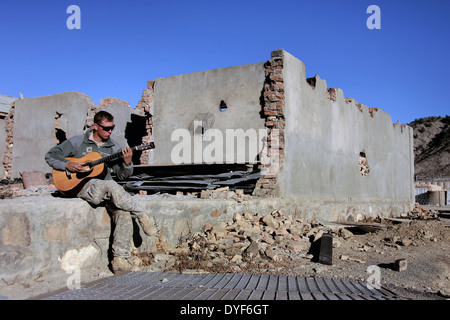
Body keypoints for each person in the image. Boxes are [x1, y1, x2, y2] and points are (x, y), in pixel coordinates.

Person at [45, 110, 156, 274]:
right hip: (82, 186)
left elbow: (121, 175)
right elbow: (51, 155)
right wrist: (67, 165)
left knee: (123, 212)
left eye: (112, 128)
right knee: (111, 187)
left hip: (105, 188)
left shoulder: (114, 147)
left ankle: (119, 260)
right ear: (95, 126)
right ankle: (141, 214)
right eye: (106, 128)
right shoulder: (78, 142)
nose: (110, 131)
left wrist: (127, 163)